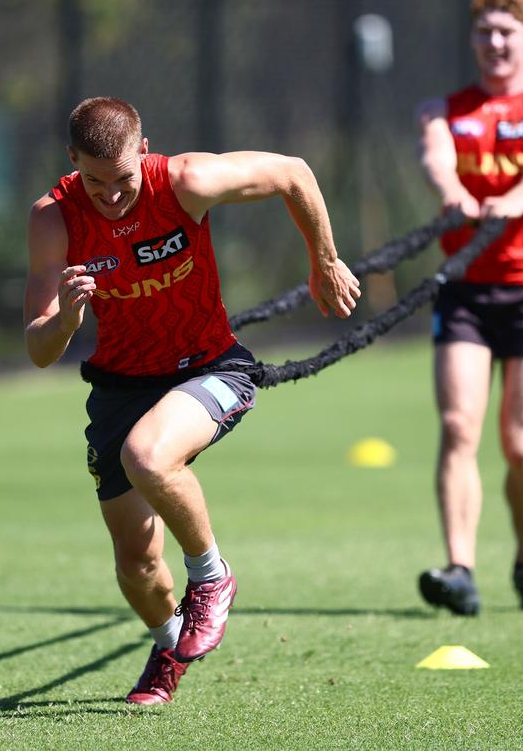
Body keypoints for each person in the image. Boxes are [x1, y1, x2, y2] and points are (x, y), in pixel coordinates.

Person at [24, 97, 361, 703]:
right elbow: (39, 349)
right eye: (95, 181)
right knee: (136, 565)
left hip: (210, 367)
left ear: (144, 151)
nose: (111, 196)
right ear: (72, 160)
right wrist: (67, 317)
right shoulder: (54, 218)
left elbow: (294, 173)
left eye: (123, 179)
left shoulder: (185, 182)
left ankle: (212, 576)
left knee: (148, 456)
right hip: (119, 384)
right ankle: (170, 645)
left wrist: (324, 261)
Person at [414, 0, 523, 616]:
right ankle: (460, 569)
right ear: (473, 39)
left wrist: (519, 197)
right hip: (465, 287)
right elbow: (436, 157)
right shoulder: (444, 109)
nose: (495, 43)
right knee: (460, 425)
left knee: (519, 441)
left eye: (506, 33)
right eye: (485, 32)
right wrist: (453, 188)